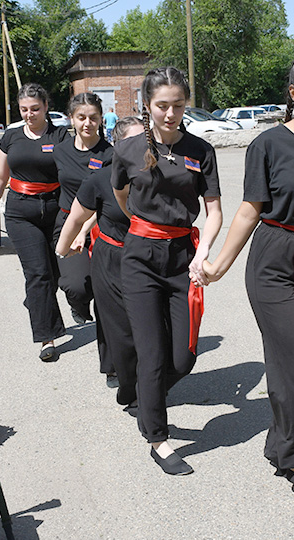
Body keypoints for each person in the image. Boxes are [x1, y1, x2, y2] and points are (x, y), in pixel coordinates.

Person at [202, 53, 294, 497]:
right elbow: (251, 209)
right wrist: (219, 265)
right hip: (275, 261)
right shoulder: (268, 145)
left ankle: (282, 442)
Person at [112, 67, 222, 476]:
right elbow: (120, 195)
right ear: (147, 106)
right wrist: (143, 226)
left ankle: (146, 395)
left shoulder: (201, 150)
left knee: (184, 355)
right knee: (153, 353)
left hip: (183, 257)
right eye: (163, 106)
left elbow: (214, 211)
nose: (171, 113)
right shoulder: (126, 151)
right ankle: (157, 437)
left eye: (178, 105)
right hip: (140, 257)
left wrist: (204, 252)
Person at [55, 117, 144, 405]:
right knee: (114, 321)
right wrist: (66, 246)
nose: (144, 146)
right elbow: (89, 209)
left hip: (146, 257)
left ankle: (144, 375)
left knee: (146, 321)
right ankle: (119, 372)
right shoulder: (100, 178)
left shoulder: (157, 176)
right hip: (111, 255)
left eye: (147, 139)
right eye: (135, 141)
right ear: (118, 146)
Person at [0, 83, 70, 361]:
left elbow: (74, 172)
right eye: (24, 110)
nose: (29, 114)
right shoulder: (11, 137)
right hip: (21, 211)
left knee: (56, 274)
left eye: (35, 109)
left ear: (46, 107)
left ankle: (36, 301)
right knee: (39, 274)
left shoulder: (61, 135)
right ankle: (47, 338)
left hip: (56, 209)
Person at [51, 92, 115, 383]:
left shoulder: (110, 154)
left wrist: (87, 229)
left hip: (100, 224)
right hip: (66, 222)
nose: (87, 123)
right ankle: (78, 305)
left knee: (107, 299)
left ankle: (113, 365)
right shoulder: (60, 150)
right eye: (81, 117)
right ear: (71, 119)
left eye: (93, 117)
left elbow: (110, 198)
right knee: (76, 285)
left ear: (101, 119)